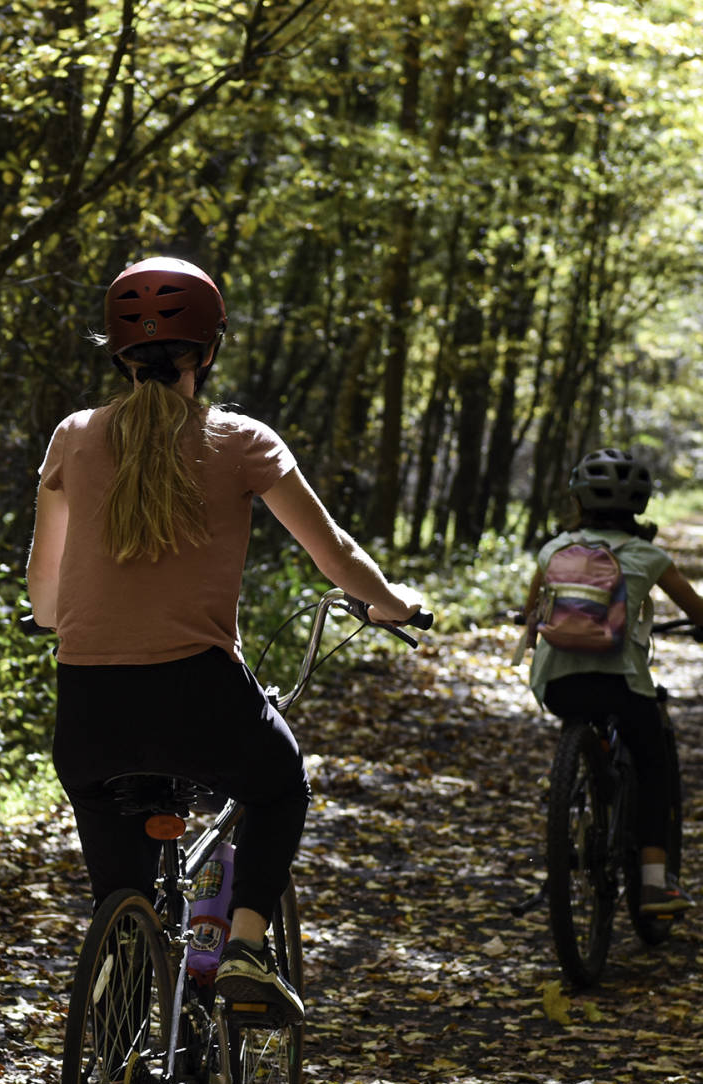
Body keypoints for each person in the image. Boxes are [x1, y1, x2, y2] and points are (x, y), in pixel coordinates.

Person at [26, 256, 421, 1025]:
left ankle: (120, 1058)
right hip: (199, 699)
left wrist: (55, 617)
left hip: (88, 711)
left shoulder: (73, 438)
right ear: (208, 351)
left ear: (116, 349)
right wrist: (393, 603)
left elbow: (44, 595)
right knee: (279, 781)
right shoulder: (239, 440)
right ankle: (242, 947)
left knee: (122, 893)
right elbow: (332, 552)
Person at [521, 449, 703, 913]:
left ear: (577, 501)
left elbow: (530, 613)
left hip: (557, 684)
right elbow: (700, 613)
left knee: (583, 721)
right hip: (621, 685)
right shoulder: (648, 556)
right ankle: (654, 884)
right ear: (640, 505)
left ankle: (578, 784)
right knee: (652, 763)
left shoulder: (553, 550)